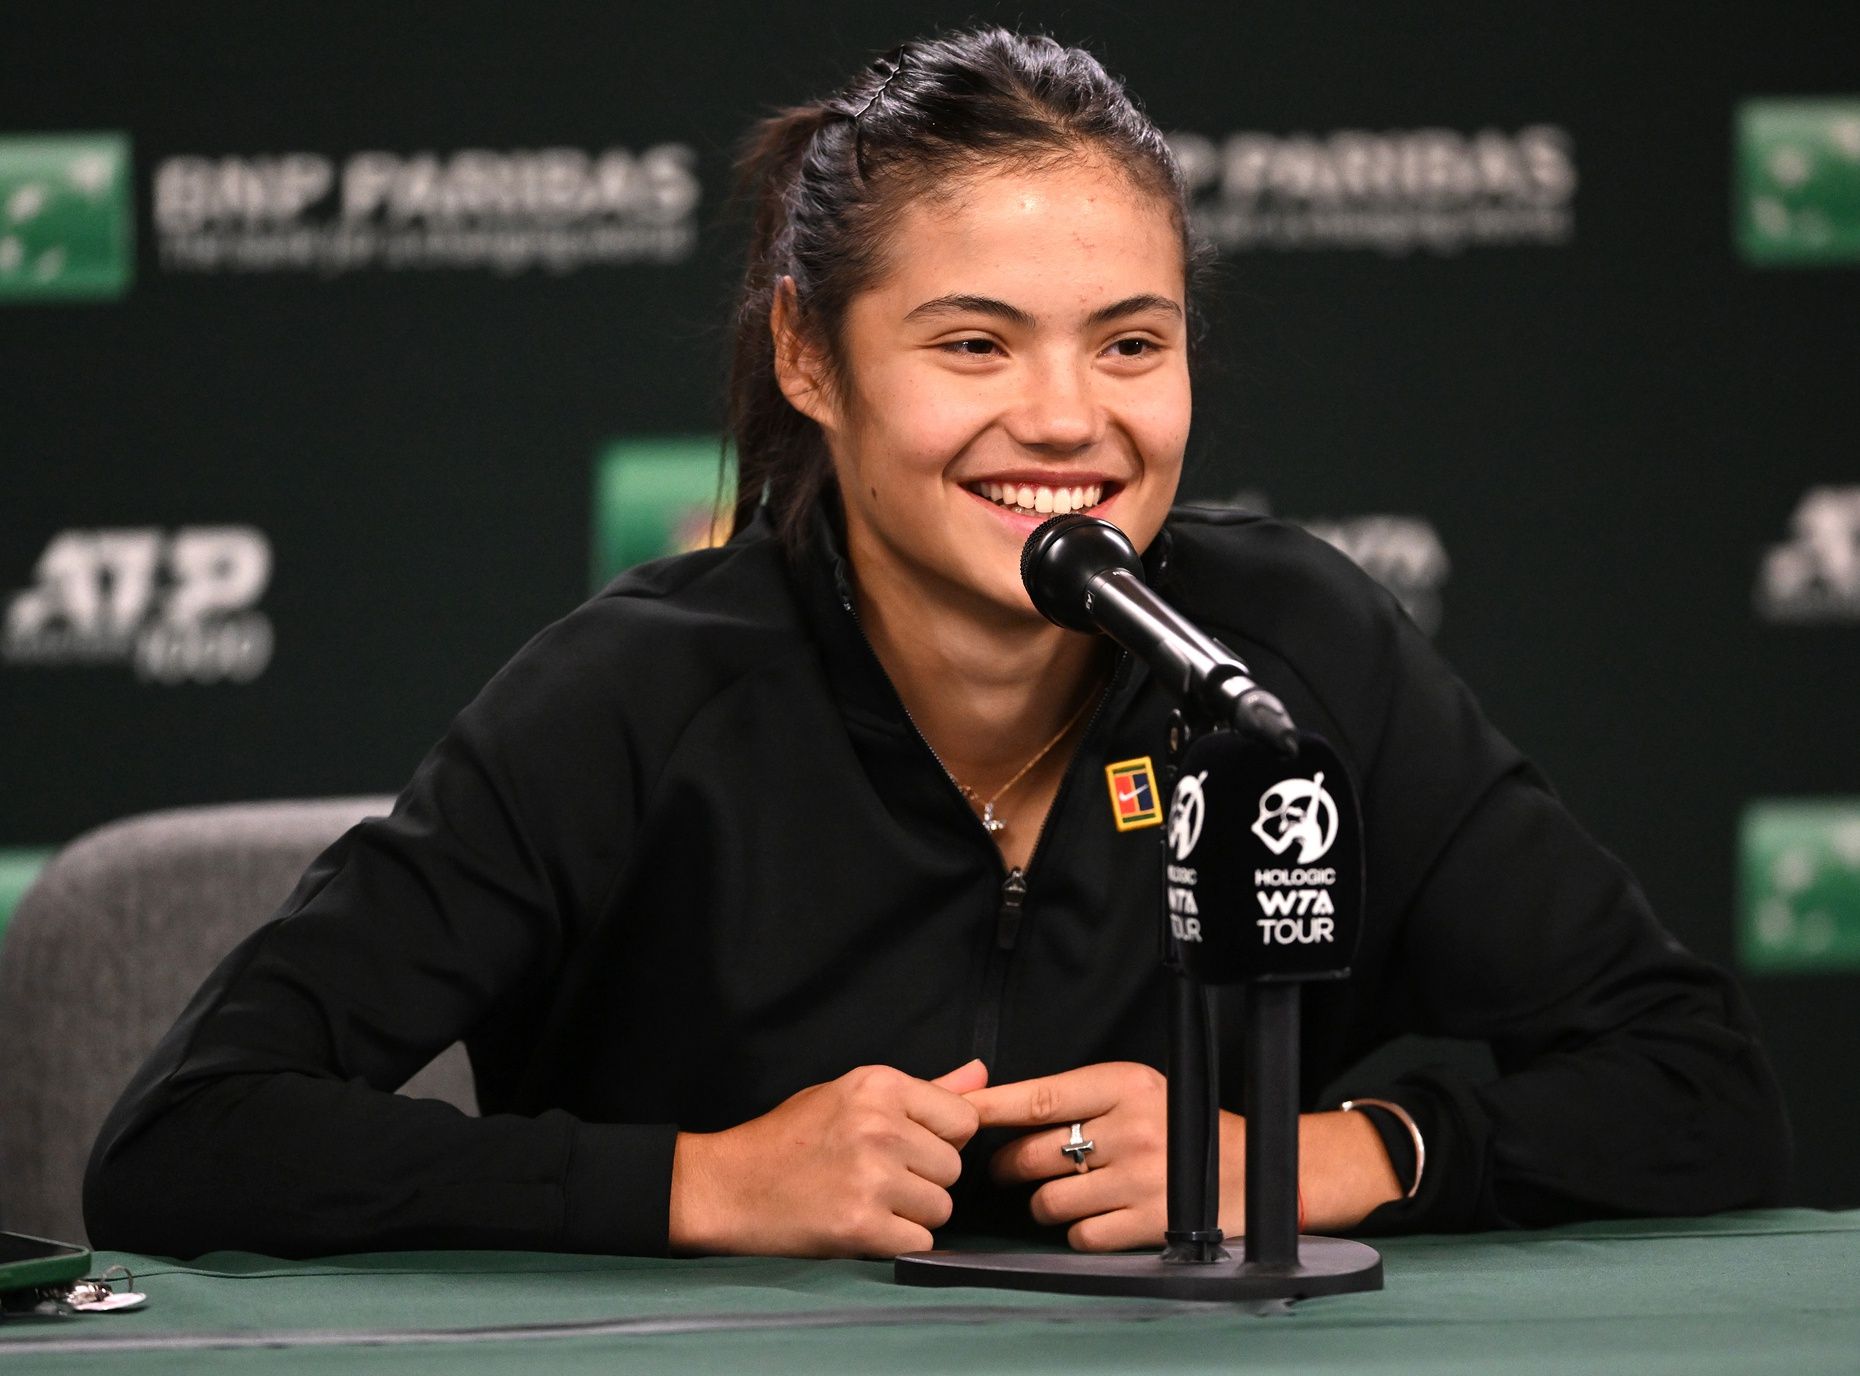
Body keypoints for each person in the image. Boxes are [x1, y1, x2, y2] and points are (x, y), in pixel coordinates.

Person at [85, 29, 1789, 1261]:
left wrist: (1320, 1156)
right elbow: (188, 1143)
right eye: (973, 344)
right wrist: (697, 1186)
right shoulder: (639, 692)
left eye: (1132, 344)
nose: (1068, 420)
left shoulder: (1286, 651)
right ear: (813, 364)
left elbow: (1697, 1090)